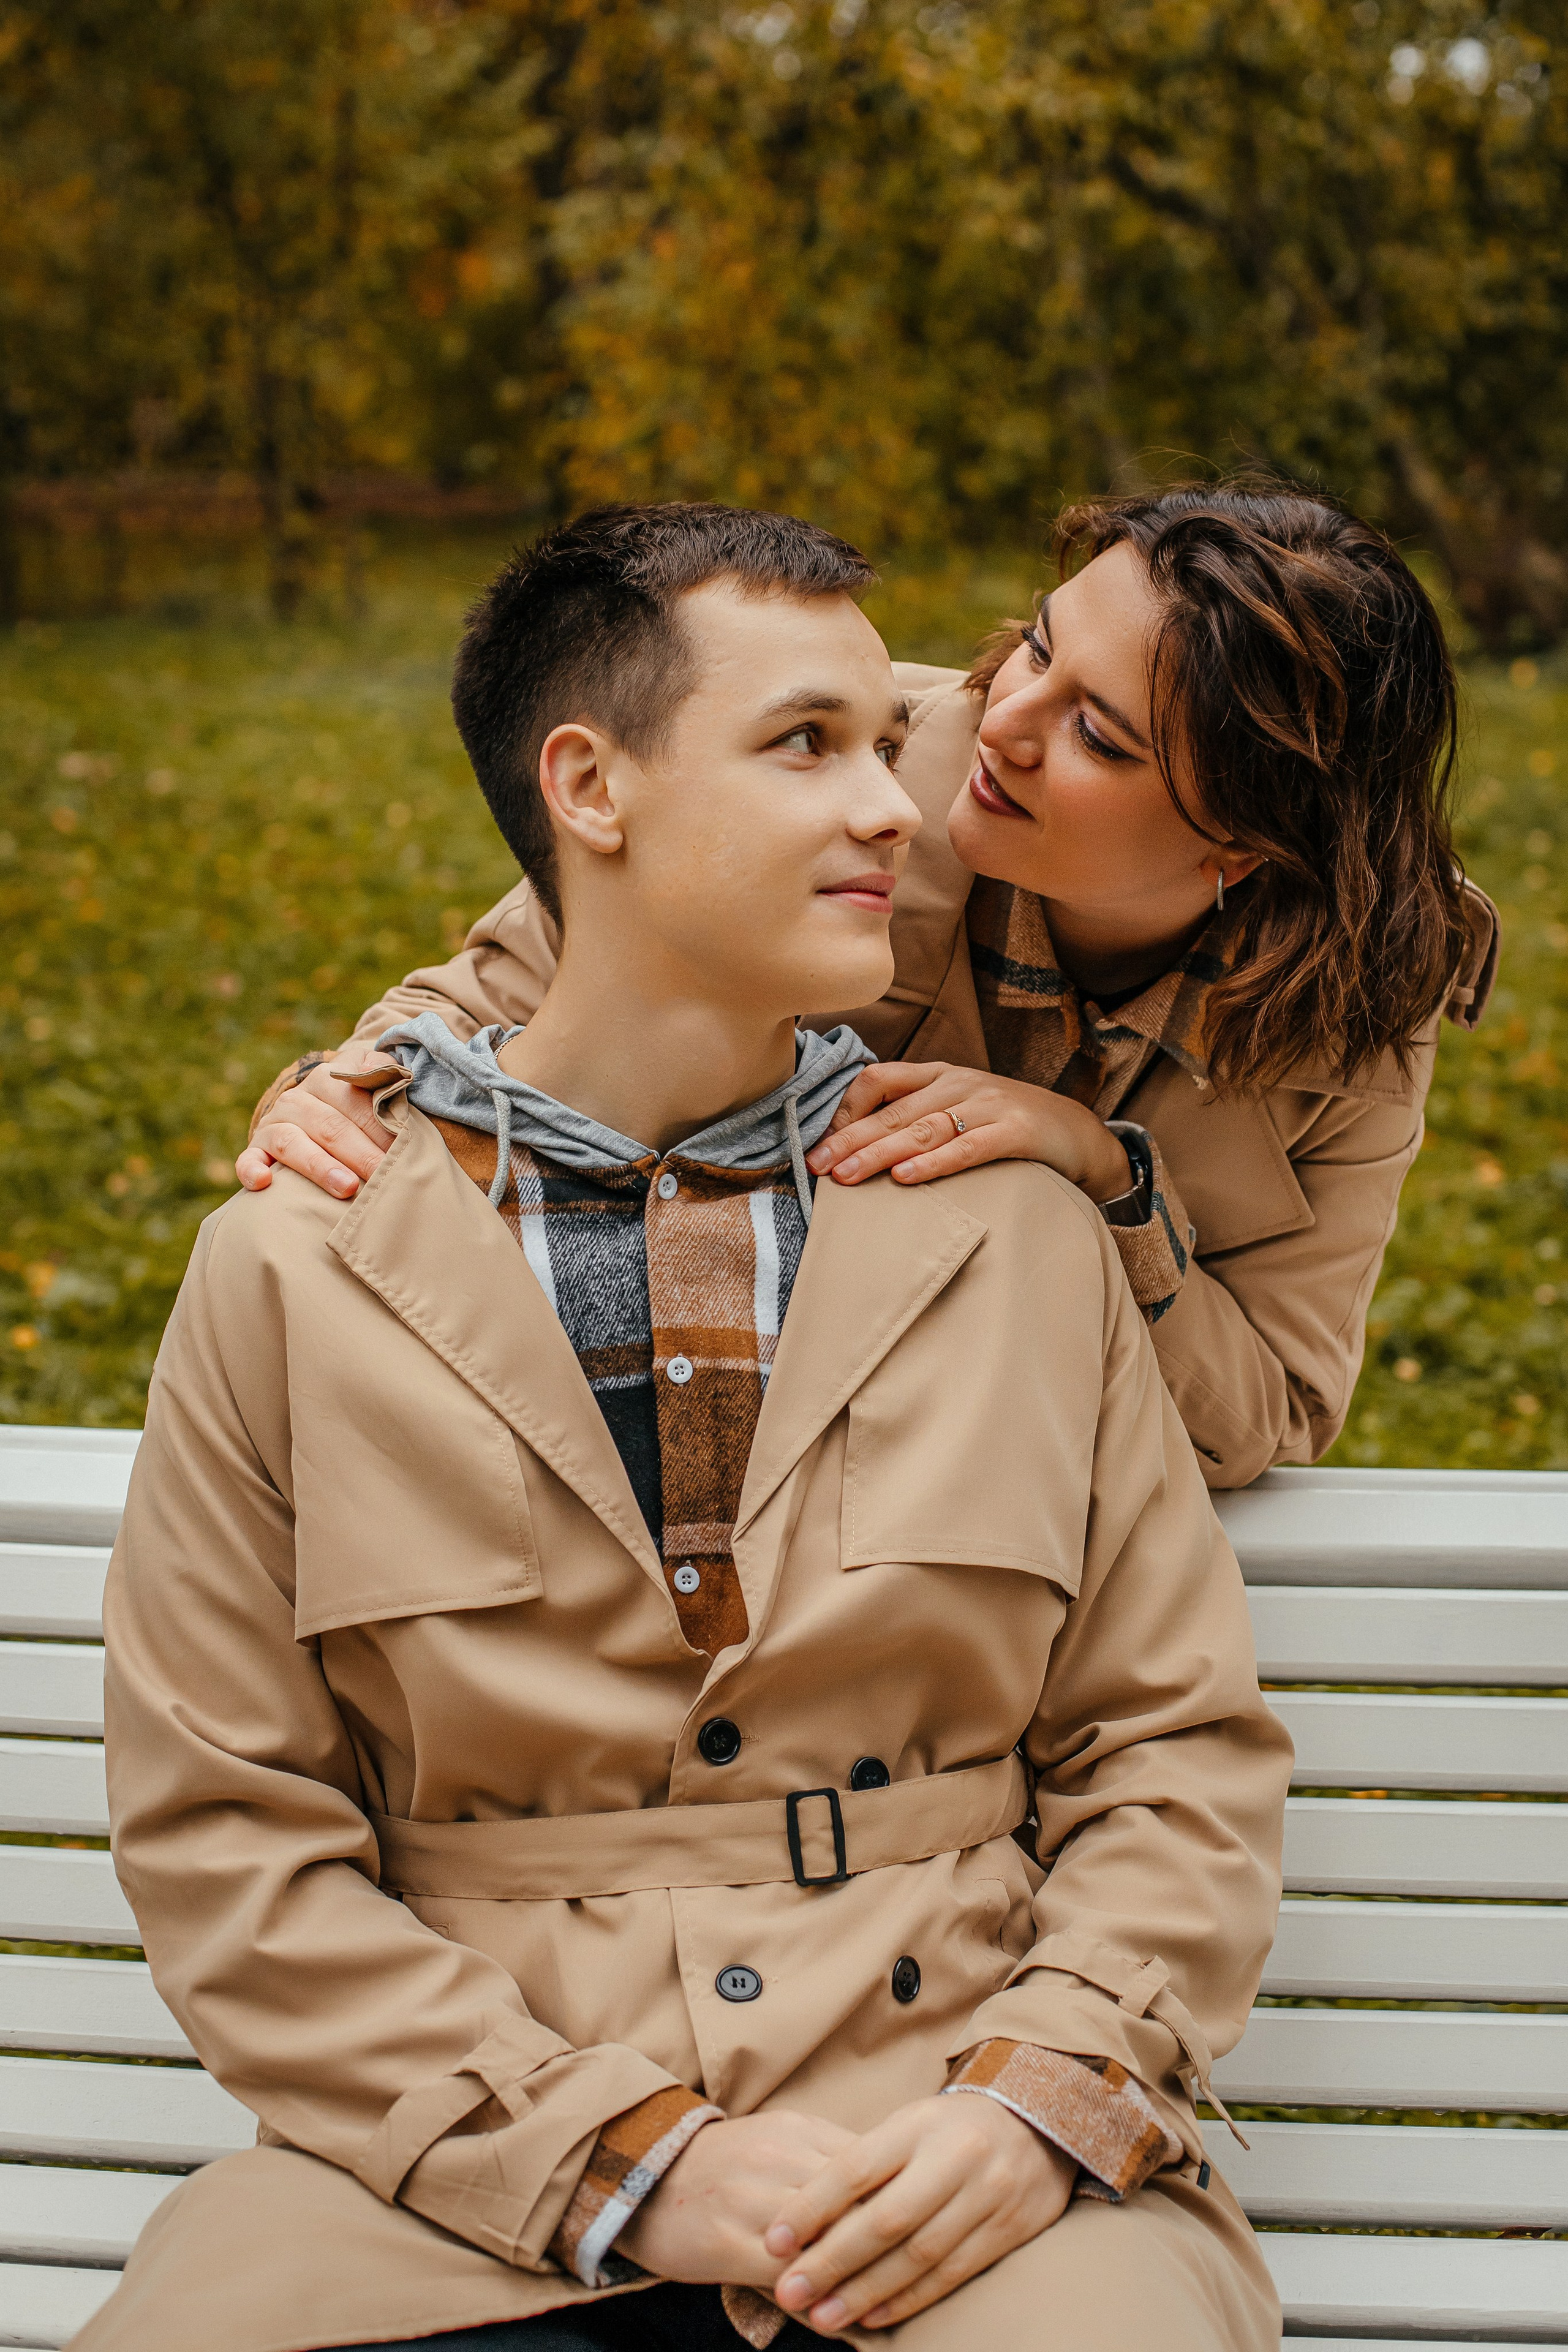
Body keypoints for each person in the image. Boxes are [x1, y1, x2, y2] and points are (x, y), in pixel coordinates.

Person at [85, 504, 1291, 2352]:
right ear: (590, 787)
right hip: (452, 2167)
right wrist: (622, 2161)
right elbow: (227, 1840)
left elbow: (1173, 1753)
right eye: (807, 744)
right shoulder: (295, 1267)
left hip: (956, 2150)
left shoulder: (1016, 1235)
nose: (895, 809)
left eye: (883, 745)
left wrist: (1038, 2100)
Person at [242, 480, 1498, 1488]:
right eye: (1038, 647)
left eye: (1097, 735)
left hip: (1021, 1518)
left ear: (1244, 842)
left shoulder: (1358, 998)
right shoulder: (866, 770)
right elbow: (504, 989)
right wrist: (336, 1090)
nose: (1006, 721)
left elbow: (1263, 1417)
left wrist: (1099, 1175)